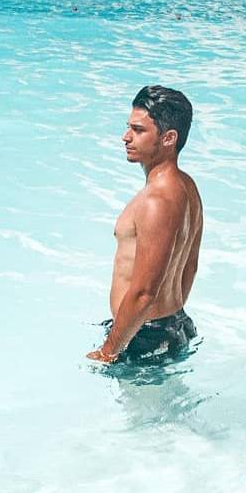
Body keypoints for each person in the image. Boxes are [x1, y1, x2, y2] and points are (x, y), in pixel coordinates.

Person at [88, 85, 203, 365]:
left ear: (169, 138)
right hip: (169, 326)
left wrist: (108, 351)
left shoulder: (156, 201)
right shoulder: (186, 186)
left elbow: (143, 293)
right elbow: (190, 266)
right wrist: (170, 319)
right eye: (128, 128)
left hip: (145, 339)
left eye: (139, 131)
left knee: (140, 410)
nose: (126, 137)